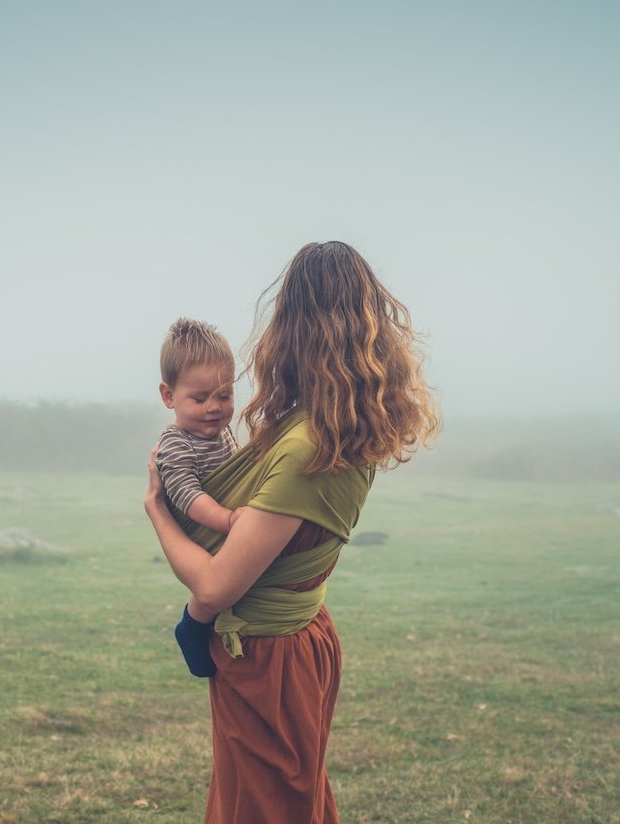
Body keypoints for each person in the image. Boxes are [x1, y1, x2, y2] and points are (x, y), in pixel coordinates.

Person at [144, 241, 438, 823]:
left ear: (295, 331)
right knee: (283, 801)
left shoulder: (309, 447)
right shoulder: (334, 428)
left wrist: (156, 509)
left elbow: (213, 588)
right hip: (297, 639)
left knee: (266, 810)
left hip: (269, 658)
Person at [155, 318, 241, 536]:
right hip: (211, 537)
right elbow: (185, 493)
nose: (213, 407)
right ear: (168, 396)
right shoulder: (176, 442)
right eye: (200, 399)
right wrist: (227, 520)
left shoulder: (222, 430)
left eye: (224, 395)